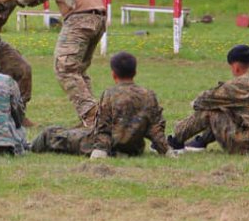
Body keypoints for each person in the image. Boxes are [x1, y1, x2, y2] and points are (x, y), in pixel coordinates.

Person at [0, 0, 105, 125]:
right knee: (78, 70)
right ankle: (92, 117)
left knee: (64, 68)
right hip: (99, 17)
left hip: (79, 18)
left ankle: (92, 116)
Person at [29, 51, 167, 158]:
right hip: (134, 149)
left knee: (51, 133)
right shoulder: (149, 95)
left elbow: (103, 128)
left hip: (105, 146)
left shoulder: (110, 94)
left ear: (113, 74)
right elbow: (155, 129)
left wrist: (99, 152)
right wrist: (166, 151)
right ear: (135, 72)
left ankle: (26, 147)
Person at [169, 44, 249, 155]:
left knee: (212, 110)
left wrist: (182, 124)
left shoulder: (238, 84)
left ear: (236, 67)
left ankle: (175, 140)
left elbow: (202, 101)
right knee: (230, 108)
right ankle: (201, 142)